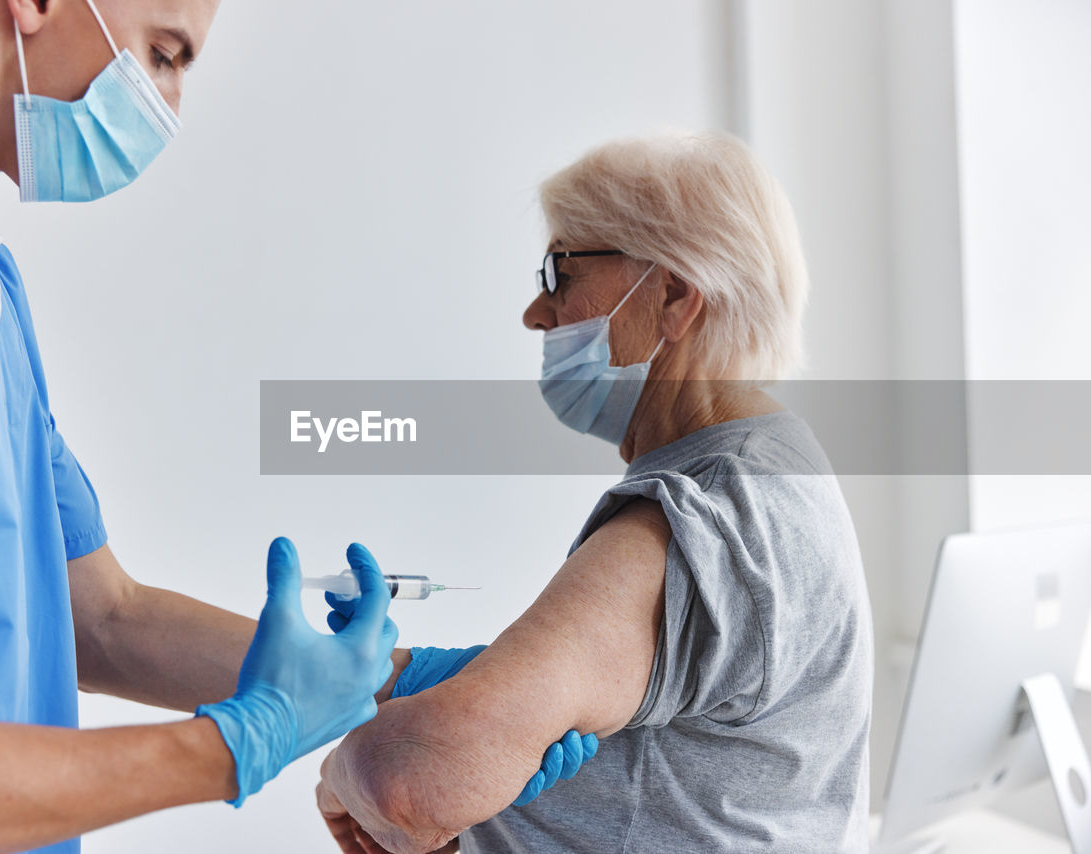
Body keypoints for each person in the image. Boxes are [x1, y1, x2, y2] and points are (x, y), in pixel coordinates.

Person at [0, 1, 583, 851]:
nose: (166, 108)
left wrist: (394, 686)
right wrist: (231, 746)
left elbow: (100, 618)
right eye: (165, 53)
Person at [315, 132, 875, 853]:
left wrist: (342, 770)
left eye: (560, 272)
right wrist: (423, 682)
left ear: (673, 295)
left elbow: (411, 784)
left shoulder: (703, 517)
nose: (536, 313)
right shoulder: (779, 468)